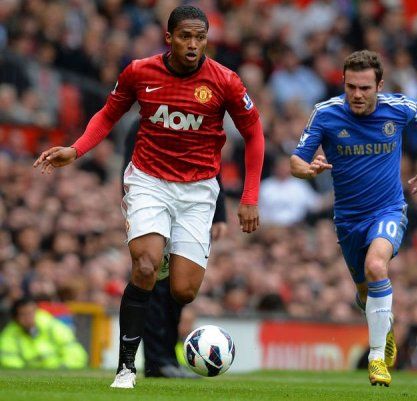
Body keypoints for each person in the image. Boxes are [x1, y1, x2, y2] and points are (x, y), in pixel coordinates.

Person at [34, 5, 264, 388]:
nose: (193, 45)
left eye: (200, 37)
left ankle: (160, 256)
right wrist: (76, 150)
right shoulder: (139, 72)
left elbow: (255, 134)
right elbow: (108, 114)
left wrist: (250, 197)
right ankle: (126, 367)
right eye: (186, 37)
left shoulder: (226, 81)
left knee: (184, 291)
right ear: (169, 37)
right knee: (143, 267)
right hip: (148, 180)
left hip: (198, 190)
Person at [290, 50, 417, 386]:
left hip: (388, 210)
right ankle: (383, 329)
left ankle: (375, 359)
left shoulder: (397, 108)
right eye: (351, 87)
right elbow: (295, 161)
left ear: (379, 86)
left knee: (376, 267)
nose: (357, 94)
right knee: (364, 292)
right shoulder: (325, 114)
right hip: (348, 220)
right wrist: (308, 169)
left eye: (365, 88)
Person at [122, 120, 228, 378]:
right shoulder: (143, 124)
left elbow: (211, 164)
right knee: (155, 286)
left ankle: (166, 356)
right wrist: (130, 210)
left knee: (179, 291)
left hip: (191, 209)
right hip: (155, 209)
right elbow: (130, 171)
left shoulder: (199, 120)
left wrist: (219, 213)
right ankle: (156, 361)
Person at [0, 297, 87, 369]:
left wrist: (63, 369)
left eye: (30, 313)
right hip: (30, 379)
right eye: (23, 314)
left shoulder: (51, 325)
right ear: (15, 318)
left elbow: (74, 351)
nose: (28, 318)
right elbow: (9, 361)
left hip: (59, 372)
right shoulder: (8, 336)